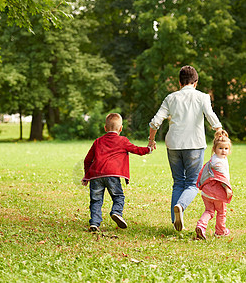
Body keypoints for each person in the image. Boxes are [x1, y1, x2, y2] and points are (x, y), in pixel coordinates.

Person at [148, 65, 222, 231]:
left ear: (179, 82)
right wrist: (218, 129)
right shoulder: (202, 97)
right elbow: (210, 115)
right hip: (195, 145)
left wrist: (151, 140)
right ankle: (181, 206)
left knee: (178, 183)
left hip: (173, 145)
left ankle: (175, 222)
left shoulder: (170, 98)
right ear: (195, 82)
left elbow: (155, 122)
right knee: (192, 184)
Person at [82, 113, 152, 232]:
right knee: (118, 196)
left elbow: (87, 159)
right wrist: (149, 149)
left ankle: (94, 223)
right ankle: (116, 212)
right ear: (120, 128)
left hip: (96, 175)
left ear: (105, 128)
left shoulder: (98, 141)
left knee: (96, 200)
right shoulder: (122, 140)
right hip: (112, 175)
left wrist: (87, 175)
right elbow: (136, 150)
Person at [195, 130, 232, 240]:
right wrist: (227, 189)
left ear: (229, 150)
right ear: (214, 149)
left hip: (206, 192)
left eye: (226, 148)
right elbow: (221, 178)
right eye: (220, 148)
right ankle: (220, 231)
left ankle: (201, 226)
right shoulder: (219, 163)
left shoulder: (214, 159)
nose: (223, 151)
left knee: (209, 211)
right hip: (217, 193)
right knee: (221, 212)